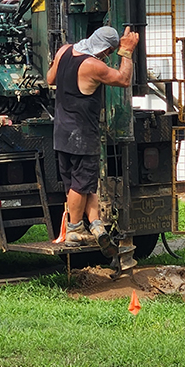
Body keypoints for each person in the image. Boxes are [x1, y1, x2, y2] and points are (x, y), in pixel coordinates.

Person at [46, 25, 138, 253]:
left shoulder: (64, 51)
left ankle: (96, 225)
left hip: (61, 133)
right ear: (106, 50)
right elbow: (124, 80)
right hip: (82, 135)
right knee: (80, 184)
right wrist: (126, 52)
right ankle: (75, 229)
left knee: (83, 184)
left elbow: (50, 78)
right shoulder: (93, 65)